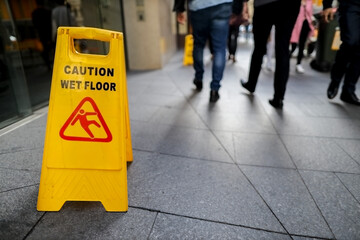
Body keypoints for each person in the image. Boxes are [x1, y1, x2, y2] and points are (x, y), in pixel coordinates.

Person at [240, 0, 301, 108]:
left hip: (265, 4)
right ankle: (279, 97)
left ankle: (251, 83)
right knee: (283, 49)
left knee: (259, 47)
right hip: (290, 5)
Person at [173, 0, 232, 103]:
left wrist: (180, 8)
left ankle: (198, 78)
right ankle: (215, 89)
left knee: (199, 45)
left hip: (198, 6)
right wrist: (240, 6)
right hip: (222, 5)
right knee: (219, 49)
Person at [323, 0, 360, 106]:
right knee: (350, 42)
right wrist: (327, 5)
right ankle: (335, 79)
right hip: (351, 5)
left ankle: (348, 90)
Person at [290, 0, 314, 74]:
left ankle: (298, 64)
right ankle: (286, 60)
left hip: (305, 24)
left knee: (302, 45)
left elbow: (310, 12)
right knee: (293, 45)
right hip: (296, 25)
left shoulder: (309, 1)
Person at [32, 0, 53, 70]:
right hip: (49, 34)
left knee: (44, 51)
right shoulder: (48, 12)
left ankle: (48, 65)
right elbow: (51, 24)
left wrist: (37, 36)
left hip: (42, 34)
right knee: (53, 49)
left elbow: (35, 26)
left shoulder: (35, 13)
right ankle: (54, 64)